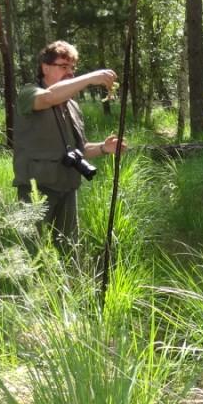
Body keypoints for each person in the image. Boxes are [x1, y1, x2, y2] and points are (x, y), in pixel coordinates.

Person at [12, 40, 124, 254]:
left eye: (72, 68)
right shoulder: (29, 93)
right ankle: (29, 288)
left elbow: (78, 149)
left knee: (69, 249)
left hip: (67, 186)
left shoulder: (72, 105)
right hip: (37, 188)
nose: (70, 73)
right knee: (31, 251)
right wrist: (91, 78)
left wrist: (103, 148)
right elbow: (49, 97)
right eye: (64, 67)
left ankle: (70, 287)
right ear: (45, 67)